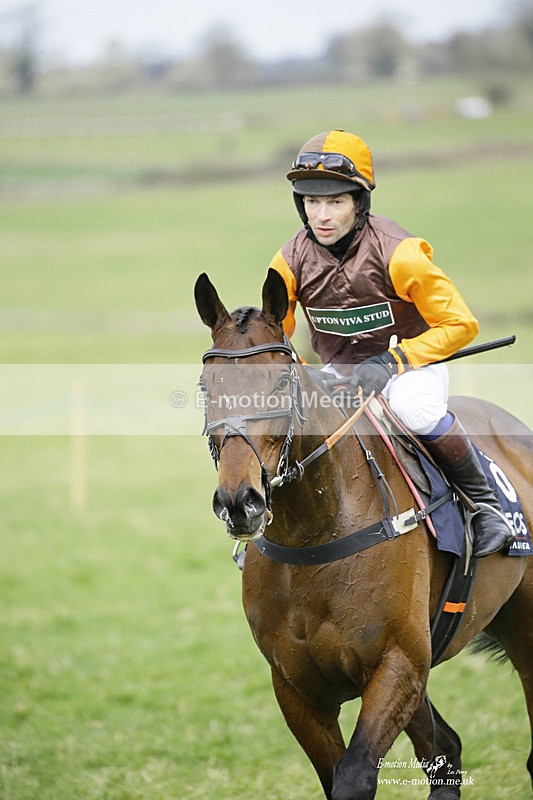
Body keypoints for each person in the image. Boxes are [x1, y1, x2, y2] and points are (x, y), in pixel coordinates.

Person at [269, 128, 514, 557]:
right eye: (312, 202)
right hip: (338, 372)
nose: (321, 216)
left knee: (412, 409)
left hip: (412, 366)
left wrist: (394, 360)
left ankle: (485, 508)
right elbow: (278, 339)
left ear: (359, 203)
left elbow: (461, 324)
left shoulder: (400, 254)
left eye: (335, 202)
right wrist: (301, 377)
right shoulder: (288, 262)